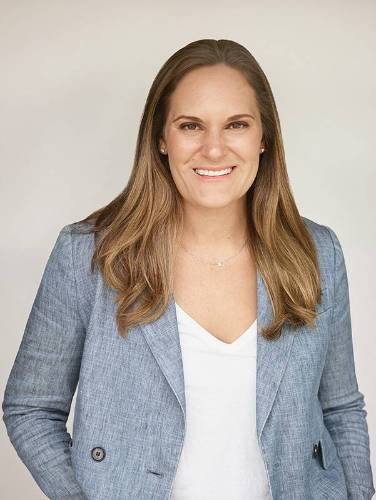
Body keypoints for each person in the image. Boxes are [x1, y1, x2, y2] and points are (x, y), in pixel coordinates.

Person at [2, 38, 375, 500]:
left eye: (236, 124)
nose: (214, 149)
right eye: (190, 125)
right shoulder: (90, 256)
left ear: (264, 139)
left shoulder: (316, 252)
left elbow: (340, 408)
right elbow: (31, 407)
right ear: (161, 138)